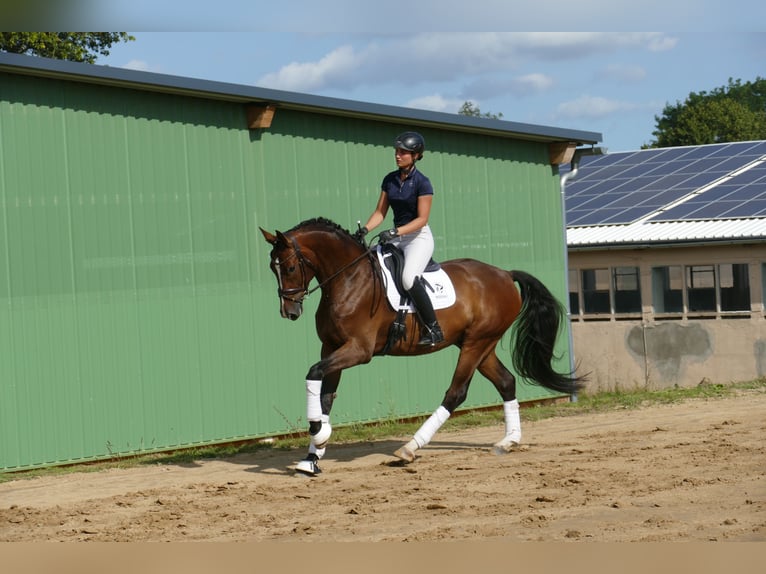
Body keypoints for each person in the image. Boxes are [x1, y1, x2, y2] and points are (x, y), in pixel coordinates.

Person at [355, 131, 445, 346]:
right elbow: (380, 213)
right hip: (397, 236)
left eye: (403, 152)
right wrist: (365, 229)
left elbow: (422, 219)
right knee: (370, 264)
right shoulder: (390, 179)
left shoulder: (423, 183)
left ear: (416, 155)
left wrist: (396, 232)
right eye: (397, 151)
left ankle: (433, 328)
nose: (398, 155)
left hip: (417, 237)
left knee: (407, 278)